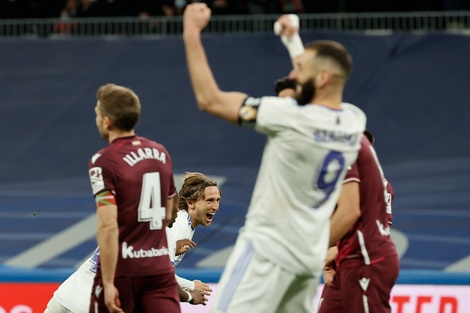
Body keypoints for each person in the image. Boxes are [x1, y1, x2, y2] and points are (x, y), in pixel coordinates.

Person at [183, 3, 366, 312]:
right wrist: (293, 41)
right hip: (306, 259)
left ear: (321, 77)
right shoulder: (353, 120)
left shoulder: (289, 116)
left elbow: (209, 99)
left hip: (266, 253)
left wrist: (191, 32)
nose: (293, 74)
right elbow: (317, 89)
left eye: (299, 70)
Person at [44, 176, 208, 313]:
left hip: (63, 299)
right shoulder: (164, 235)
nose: (177, 212)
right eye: (176, 208)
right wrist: (190, 295)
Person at [87, 83, 180, 313]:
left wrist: (108, 283)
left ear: (107, 121)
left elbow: (108, 226)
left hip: (123, 272)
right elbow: (170, 210)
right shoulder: (161, 153)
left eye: (98, 113)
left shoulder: (103, 161)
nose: (97, 118)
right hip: (159, 272)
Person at [317, 129, 398, 313]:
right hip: (342, 266)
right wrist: (328, 261)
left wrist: (332, 250)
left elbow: (377, 232)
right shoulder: (336, 183)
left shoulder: (381, 185)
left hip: (367, 262)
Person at [168, 172, 221, 294]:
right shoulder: (179, 225)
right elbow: (160, 271)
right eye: (209, 201)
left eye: (217, 200)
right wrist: (191, 286)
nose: (216, 207)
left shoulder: (186, 224)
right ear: (190, 203)